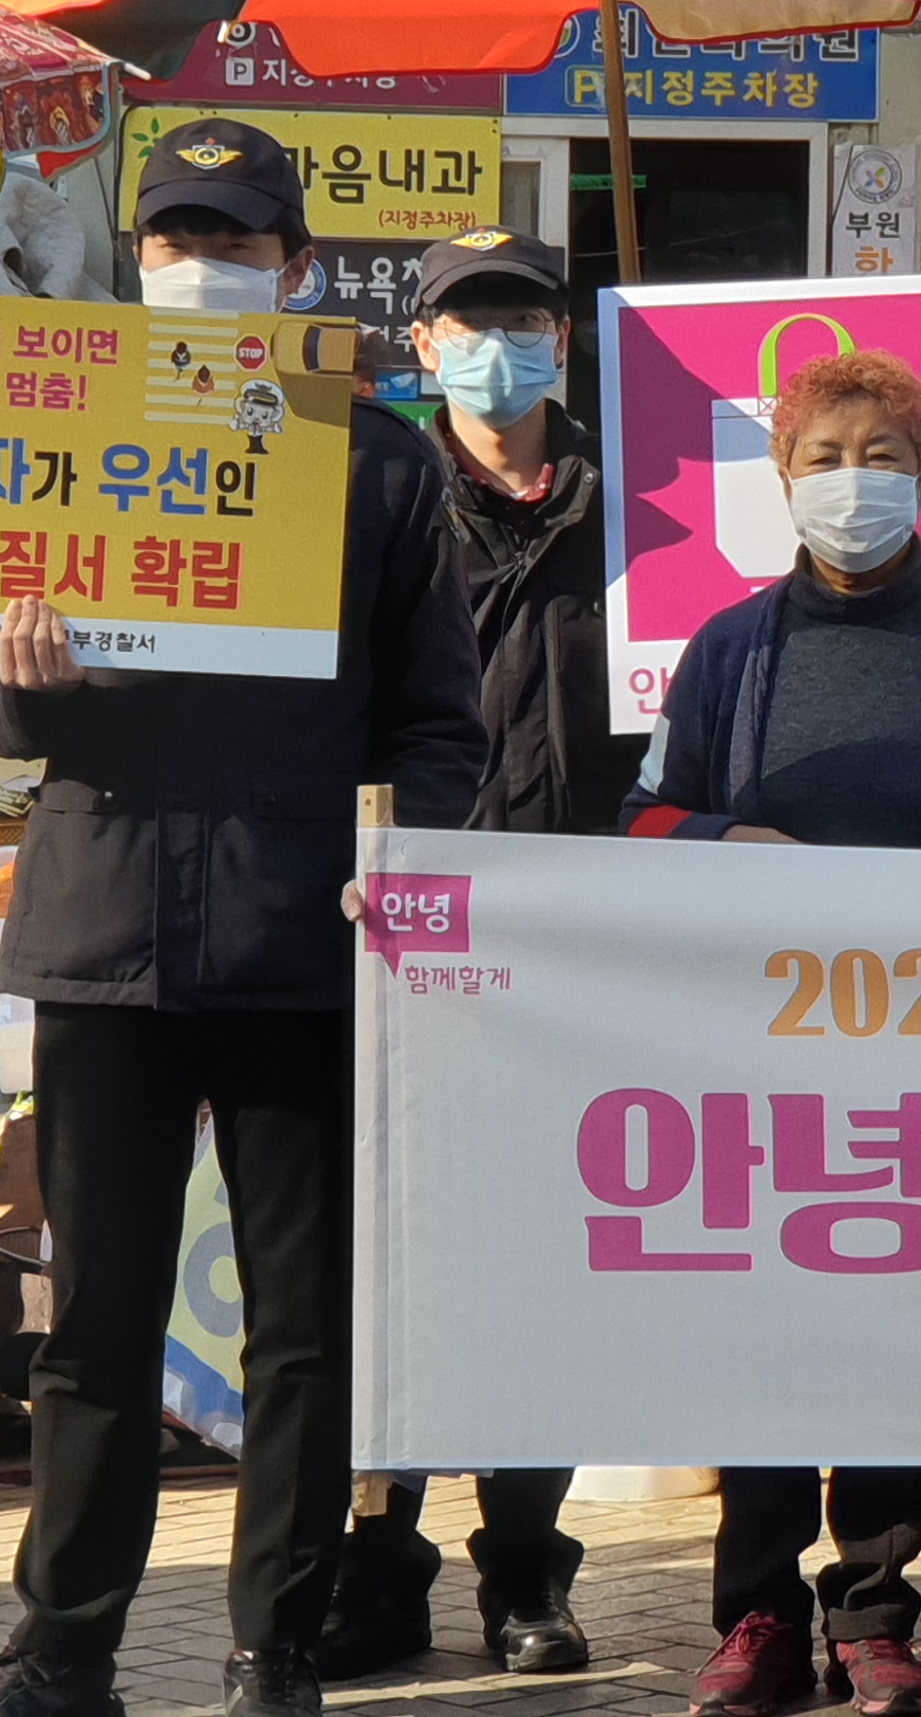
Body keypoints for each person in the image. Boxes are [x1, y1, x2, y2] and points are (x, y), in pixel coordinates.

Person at [0, 119, 486, 1717]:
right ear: (138, 260)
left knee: (304, 1333)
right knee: (93, 1324)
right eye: (179, 239)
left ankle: (280, 1647)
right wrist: (25, 688)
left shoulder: (380, 462)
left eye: (238, 242)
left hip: (302, 944)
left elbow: (440, 726)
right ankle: (65, 1648)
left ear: (297, 267)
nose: (206, 267)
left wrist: (398, 855)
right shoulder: (55, 431)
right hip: (101, 935)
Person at [624, 346, 921, 1717]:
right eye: (825, 458)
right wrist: (724, 836)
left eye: (883, 459)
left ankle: (874, 1614)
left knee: (891, 1324)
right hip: (755, 1047)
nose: (853, 483)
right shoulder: (727, 649)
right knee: (762, 1323)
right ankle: (757, 1615)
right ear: (783, 477)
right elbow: (642, 818)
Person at [314, 230, 639, 1684]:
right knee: (380, 1260)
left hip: (575, 928)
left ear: (562, 342)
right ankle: (376, 1567)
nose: (496, 348)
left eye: (523, 320)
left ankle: (526, 1570)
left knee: (538, 1260)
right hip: (394, 922)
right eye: (466, 323)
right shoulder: (373, 491)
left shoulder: (644, 502)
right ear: (423, 346)